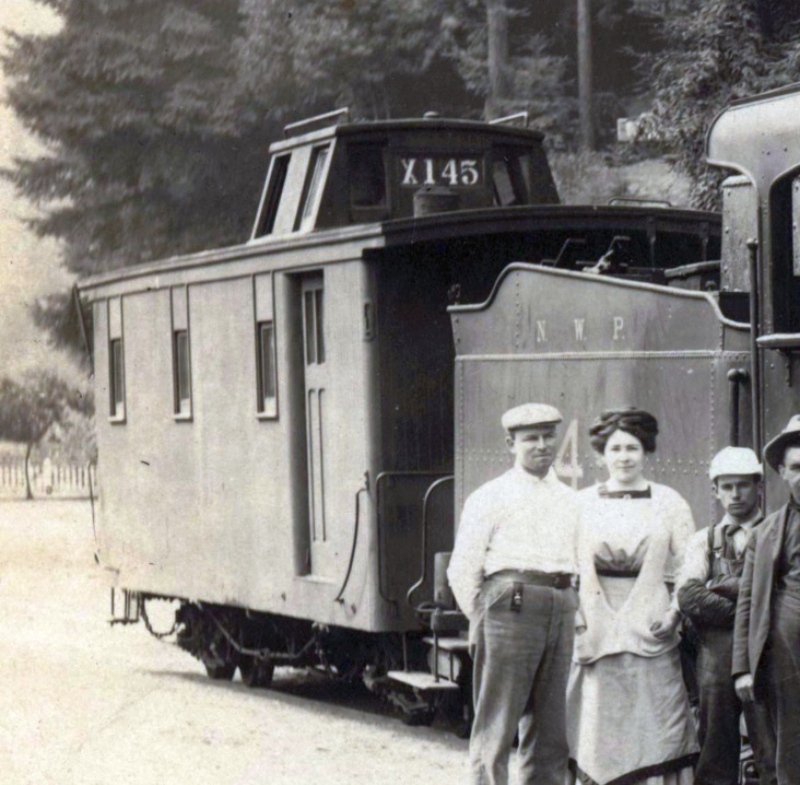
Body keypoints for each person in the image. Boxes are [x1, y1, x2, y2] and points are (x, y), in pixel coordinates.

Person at [447, 403, 581, 785]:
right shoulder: (490, 496)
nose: (542, 445)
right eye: (531, 439)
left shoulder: (571, 500)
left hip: (561, 605)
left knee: (552, 731)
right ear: (511, 443)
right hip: (509, 606)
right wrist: (486, 618)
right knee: (497, 725)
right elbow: (463, 569)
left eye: (548, 436)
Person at [567, 407, 699, 785]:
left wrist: (675, 612)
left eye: (633, 448)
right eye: (616, 449)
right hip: (595, 627)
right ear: (602, 454)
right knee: (598, 725)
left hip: (650, 627)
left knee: (655, 723)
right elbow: (566, 563)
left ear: (646, 452)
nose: (624, 457)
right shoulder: (581, 503)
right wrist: (577, 614)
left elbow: (690, 565)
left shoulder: (669, 502)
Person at [676, 447, 776, 785]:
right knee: (714, 752)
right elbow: (688, 596)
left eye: (743, 485)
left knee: (771, 747)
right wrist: (748, 607)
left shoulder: (778, 533)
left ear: (759, 487)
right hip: (715, 660)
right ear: (716, 491)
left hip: (766, 655)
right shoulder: (703, 541)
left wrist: (718, 588)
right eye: (727, 487)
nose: (734, 494)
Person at [734, 415, 800, 785]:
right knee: (789, 750)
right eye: (797, 467)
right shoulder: (765, 534)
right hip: (787, 658)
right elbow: (748, 602)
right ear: (782, 472)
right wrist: (742, 667)